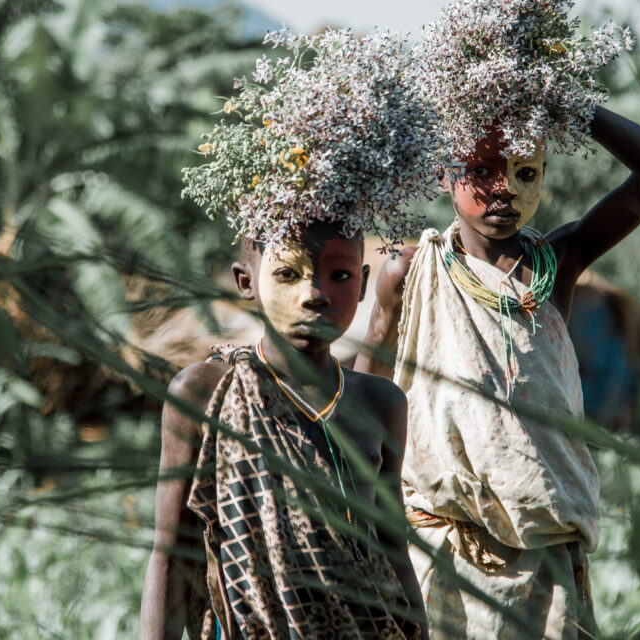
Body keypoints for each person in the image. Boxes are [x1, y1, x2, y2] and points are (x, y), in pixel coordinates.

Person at [354, 2, 640, 638]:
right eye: (480, 171)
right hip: (440, 556)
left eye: (524, 171)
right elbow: (363, 399)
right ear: (446, 175)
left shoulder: (557, 264)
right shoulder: (408, 272)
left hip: (546, 563)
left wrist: (560, 101)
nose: (503, 189)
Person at [141, 27, 440, 640]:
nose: (314, 293)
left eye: (337, 274)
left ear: (361, 282)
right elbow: (173, 557)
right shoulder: (205, 394)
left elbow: (393, 553)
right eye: (288, 273)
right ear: (245, 282)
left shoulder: (380, 404)